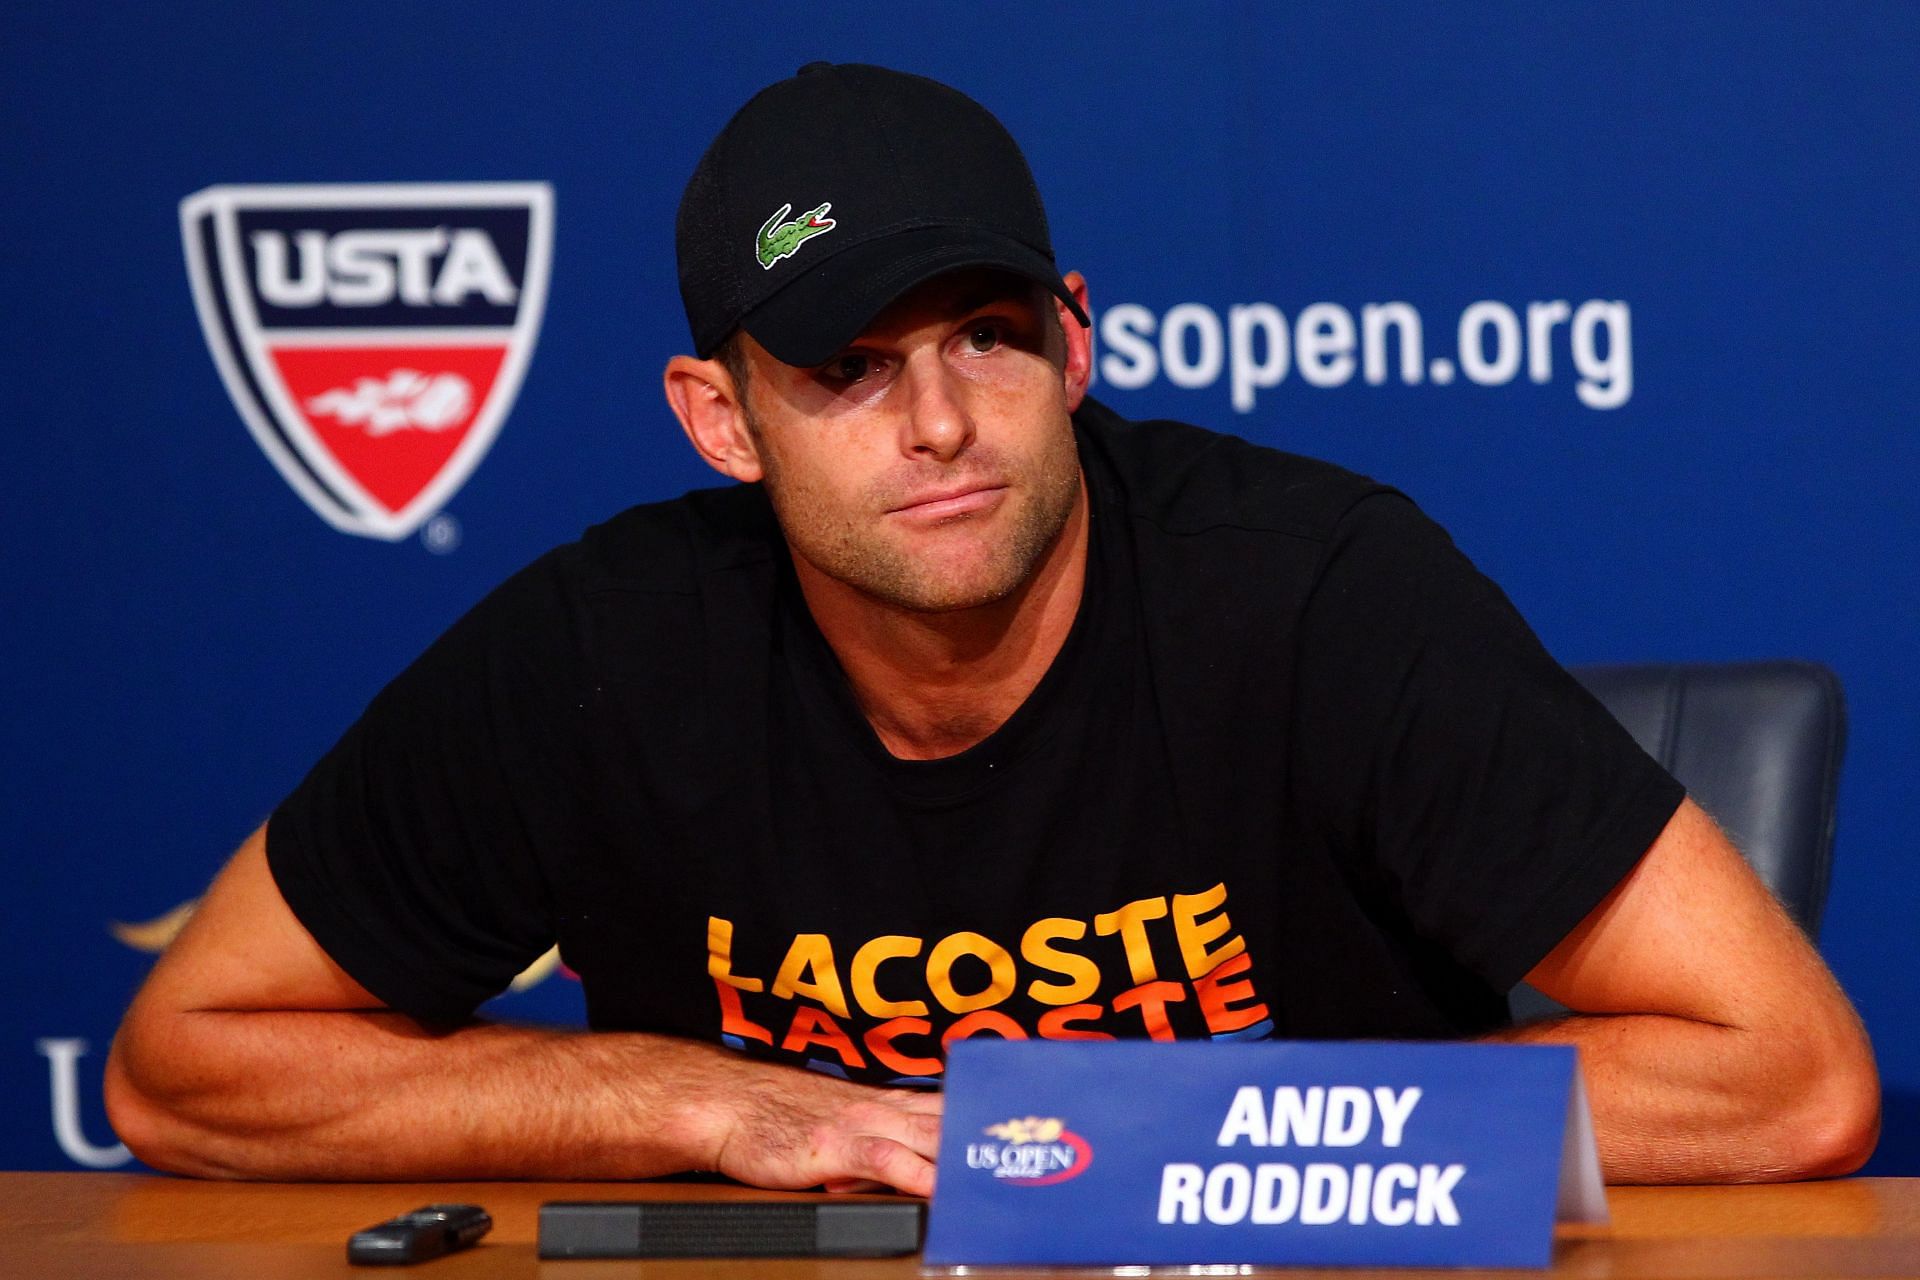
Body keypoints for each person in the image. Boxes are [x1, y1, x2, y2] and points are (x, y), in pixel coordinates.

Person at [105, 63, 1877, 1197]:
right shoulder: (604, 650)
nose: (939, 423)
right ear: (720, 421)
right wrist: (697, 1103)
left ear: (1077, 340)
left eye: (986, 335)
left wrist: (1170, 1142)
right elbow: (189, 1071)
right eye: (845, 370)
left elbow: (1788, 1083)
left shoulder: (1314, 590)